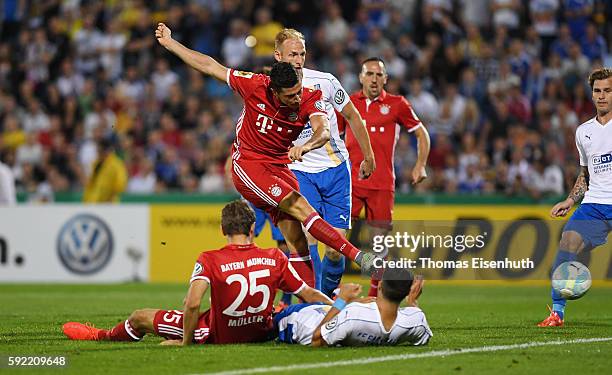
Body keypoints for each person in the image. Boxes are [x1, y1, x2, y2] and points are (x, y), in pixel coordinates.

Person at [154, 23, 378, 288]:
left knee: (297, 238)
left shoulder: (312, 94)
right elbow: (210, 66)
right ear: (275, 89)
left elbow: (324, 130)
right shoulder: (255, 85)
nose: (297, 99)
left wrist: (306, 147)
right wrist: (171, 44)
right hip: (249, 165)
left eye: (301, 56)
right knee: (301, 209)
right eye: (291, 96)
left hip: (282, 165)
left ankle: (312, 302)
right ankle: (357, 256)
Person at [62, 200, 332, 345]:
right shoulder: (274, 256)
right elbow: (308, 293)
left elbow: (192, 304)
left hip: (214, 334)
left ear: (223, 231)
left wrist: (186, 342)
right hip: (261, 331)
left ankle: (101, 336)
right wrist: (337, 307)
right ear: (252, 229)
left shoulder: (210, 259)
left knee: (139, 317)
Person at [274, 28, 376, 296]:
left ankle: (328, 298)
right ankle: (315, 304)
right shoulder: (270, 88)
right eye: (292, 54)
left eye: (302, 54)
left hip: (335, 171)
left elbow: (353, 117)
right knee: (308, 240)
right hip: (299, 171)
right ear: (278, 55)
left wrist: (368, 155)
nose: (298, 59)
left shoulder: (325, 81)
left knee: (335, 249)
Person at [344, 58, 431, 297]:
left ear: (386, 79)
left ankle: (373, 296)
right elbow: (328, 133)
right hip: (349, 182)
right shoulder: (348, 103)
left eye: (379, 74)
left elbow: (422, 133)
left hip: (382, 185)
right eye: (369, 74)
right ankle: (331, 292)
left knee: (378, 245)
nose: (374, 79)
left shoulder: (397, 104)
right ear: (361, 77)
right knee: (337, 240)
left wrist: (420, 165)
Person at [539, 67, 612, 327]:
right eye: (597, 91)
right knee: (568, 240)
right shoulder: (583, 132)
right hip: (594, 204)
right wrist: (570, 201)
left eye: (607, 90)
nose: (602, 96)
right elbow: (585, 173)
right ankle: (557, 313)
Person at [274, 268, 432, 347]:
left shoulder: (355, 314)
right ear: (407, 293)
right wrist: (411, 303)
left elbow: (317, 339)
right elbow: (421, 332)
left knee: (270, 318)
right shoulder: (415, 321)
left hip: (299, 323)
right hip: (331, 315)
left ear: (380, 286)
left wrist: (342, 300)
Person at [82, 138, 128, 203]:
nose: (98, 153)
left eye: (99, 151)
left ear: (106, 150)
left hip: (108, 205)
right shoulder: (96, 164)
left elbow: (121, 185)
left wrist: (110, 197)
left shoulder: (116, 164)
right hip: (94, 203)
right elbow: (91, 185)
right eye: (97, 151)